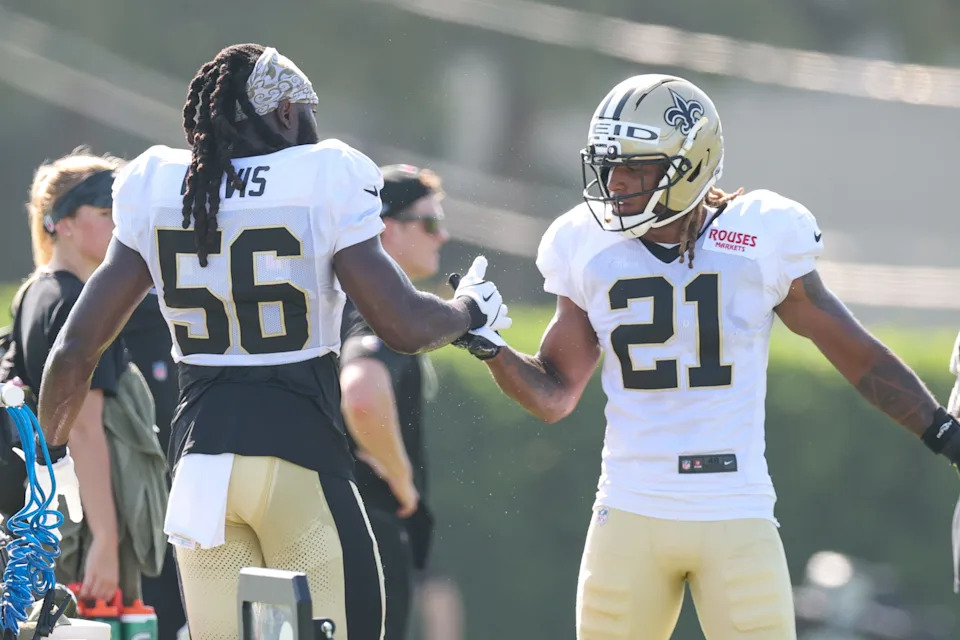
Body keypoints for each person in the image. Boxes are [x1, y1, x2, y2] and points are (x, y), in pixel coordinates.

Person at [452, 74, 960, 639]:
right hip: (628, 505)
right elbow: (554, 395)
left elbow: (854, 353)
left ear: (690, 165)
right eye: (609, 164)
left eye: (636, 167)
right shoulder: (585, 241)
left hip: (734, 507)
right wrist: (490, 347)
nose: (615, 182)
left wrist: (941, 430)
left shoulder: (760, 233)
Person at [31, 43, 510, 640]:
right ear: (286, 113)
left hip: (201, 470)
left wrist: (45, 462)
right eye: (306, 114)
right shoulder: (324, 177)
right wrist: (468, 311)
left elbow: (75, 350)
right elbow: (405, 326)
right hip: (297, 457)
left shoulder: (161, 186)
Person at [0, 149, 167, 606]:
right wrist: (106, 543)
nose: (118, 224)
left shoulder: (35, 291)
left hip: (43, 514)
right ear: (63, 224)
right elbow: (84, 429)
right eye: (104, 212)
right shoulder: (79, 304)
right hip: (77, 525)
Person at [339, 164, 448, 639]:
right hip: (372, 521)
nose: (442, 236)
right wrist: (403, 484)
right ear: (386, 227)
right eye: (430, 222)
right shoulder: (383, 302)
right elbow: (361, 394)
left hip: (324, 517)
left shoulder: (331, 294)